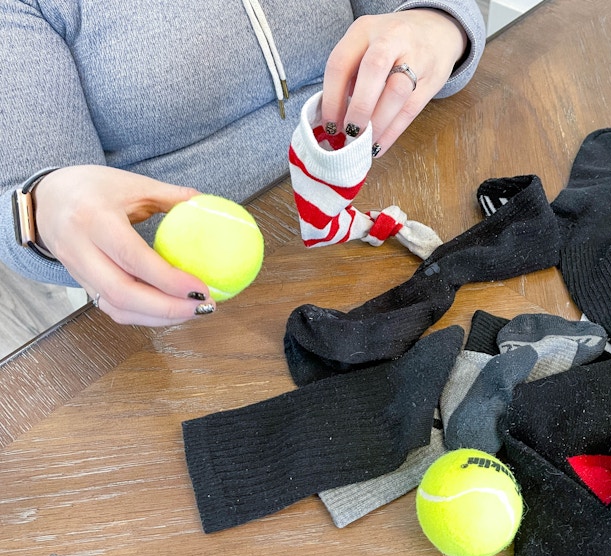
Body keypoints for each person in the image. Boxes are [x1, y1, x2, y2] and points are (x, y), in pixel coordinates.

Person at [1, 1, 486, 327]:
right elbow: (16, 204)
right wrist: (45, 206)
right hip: (197, 311)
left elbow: (446, 11)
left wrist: (437, 23)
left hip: (406, 198)